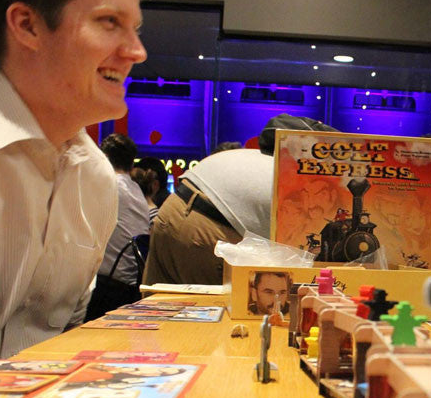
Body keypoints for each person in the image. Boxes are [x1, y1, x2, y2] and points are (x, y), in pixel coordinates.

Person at [0, 0, 151, 366]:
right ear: (27, 25)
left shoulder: (95, 176)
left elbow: (61, 344)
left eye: (135, 29)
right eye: (110, 22)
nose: (137, 52)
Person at [143, 114, 337, 285]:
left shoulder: (257, 159)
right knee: (223, 312)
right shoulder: (307, 182)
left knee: (156, 307)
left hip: (173, 209)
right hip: (208, 227)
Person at [85, 133, 151, 321]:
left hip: (107, 288)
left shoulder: (107, 184)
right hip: (132, 285)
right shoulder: (136, 189)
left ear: (104, 158)